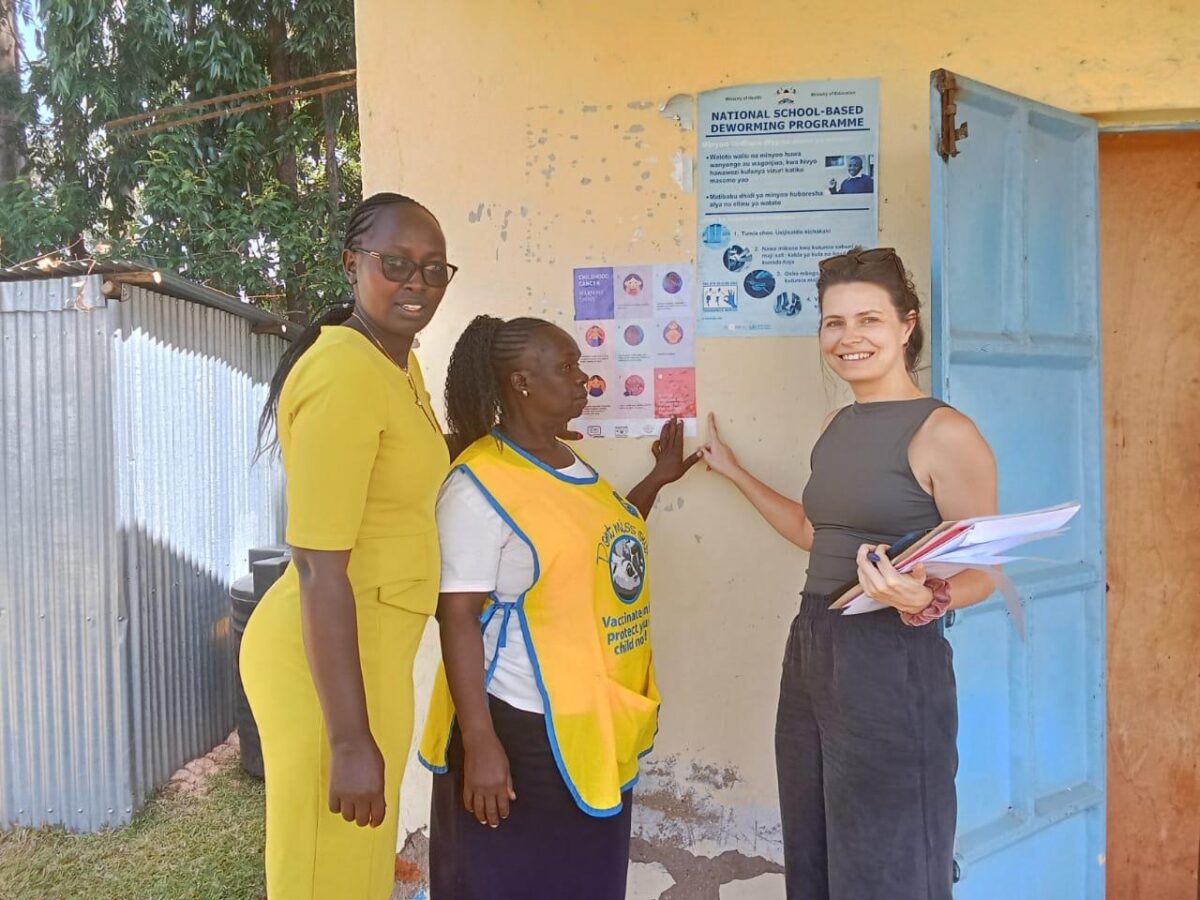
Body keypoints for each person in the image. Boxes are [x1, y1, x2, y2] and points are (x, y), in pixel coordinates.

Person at [700, 247, 997, 900]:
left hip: (892, 656)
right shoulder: (836, 425)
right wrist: (734, 472)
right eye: (833, 322)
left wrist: (927, 595)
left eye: (868, 319)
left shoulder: (944, 432)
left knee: (888, 863)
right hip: (812, 646)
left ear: (906, 325)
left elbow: (985, 570)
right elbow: (815, 533)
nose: (848, 337)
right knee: (814, 853)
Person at [418, 315, 700, 900]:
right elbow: (456, 617)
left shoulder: (569, 463)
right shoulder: (479, 485)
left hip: (590, 722)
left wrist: (656, 480)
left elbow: (603, 541)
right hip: (520, 726)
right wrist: (481, 743)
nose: (583, 380)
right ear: (521, 382)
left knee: (582, 881)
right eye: (568, 367)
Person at [241, 192, 457, 900]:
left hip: (371, 654)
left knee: (358, 870)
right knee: (323, 876)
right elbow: (315, 566)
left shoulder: (396, 365)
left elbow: (401, 464)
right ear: (351, 264)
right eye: (396, 264)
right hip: (326, 669)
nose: (417, 283)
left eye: (433, 269)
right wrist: (348, 739)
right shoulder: (342, 372)